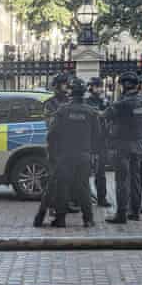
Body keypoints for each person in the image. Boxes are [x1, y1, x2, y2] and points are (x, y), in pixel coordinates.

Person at [48, 78, 101, 227]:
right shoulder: (91, 112)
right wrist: (94, 155)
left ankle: (60, 220)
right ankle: (88, 219)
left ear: (70, 92)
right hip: (84, 155)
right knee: (84, 187)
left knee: (62, 186)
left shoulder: (63, 111)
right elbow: (97, 136)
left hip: (65, 155)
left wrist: (52, 153)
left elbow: (52, 134)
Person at [104, 71, 142, 224]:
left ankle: (121, 214)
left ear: (123, 86)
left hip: (122, 146)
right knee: (135, 179)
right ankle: (135, 211)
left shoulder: (122, 103)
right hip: (138, 145)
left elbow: (105, 115)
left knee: (121, 181)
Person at [33, 73, 71, 227]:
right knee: (54, 181)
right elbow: (50, 125)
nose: (66, 87)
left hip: (70, 146)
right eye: (64, 84)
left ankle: (65, 207)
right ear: (57, 86)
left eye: (67, 84)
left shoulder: (71, 101)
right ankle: (51, 210)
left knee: (69, 181)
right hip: (56, 147)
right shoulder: (50, 103)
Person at [85, 77, 111, 208]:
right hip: (88, 142)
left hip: (102, 141)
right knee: (85, 171)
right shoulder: (87, 102)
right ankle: (84, 198)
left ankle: (102, 198)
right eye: (97, 86)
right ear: (91, 87)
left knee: (101, 173)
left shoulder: (104, 101)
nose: (100, 89)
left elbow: (109, 116)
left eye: (100, 86)